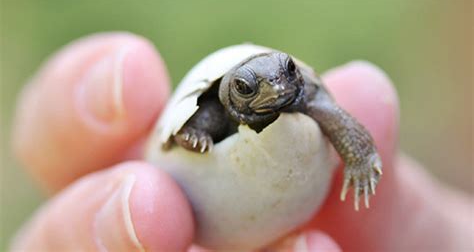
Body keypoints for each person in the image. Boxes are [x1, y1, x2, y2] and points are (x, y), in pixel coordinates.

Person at [10, 33, 472, 252]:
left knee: (318, 103)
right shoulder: (218, 104)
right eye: (253, 89)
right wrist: (188, 134)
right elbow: (191, 123)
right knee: (187, 148)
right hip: (207, 211)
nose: (275, 88)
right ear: (233, 89)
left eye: (286, 74)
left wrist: (361, 155)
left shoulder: (297, 92)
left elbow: (331, 113)